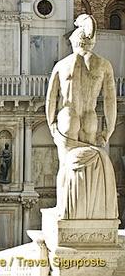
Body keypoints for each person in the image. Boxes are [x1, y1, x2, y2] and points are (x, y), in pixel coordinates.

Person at [46, 14, 118, 219]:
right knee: (87, 168)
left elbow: (51, 98)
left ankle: (65, 209)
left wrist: (51, 122)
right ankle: (86, 212)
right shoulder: (104, 65)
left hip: (67, 115)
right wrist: (109, 128)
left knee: (66, 165)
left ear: (73, 42)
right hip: (90, 117)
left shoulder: (62, 64)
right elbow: (110, 100)